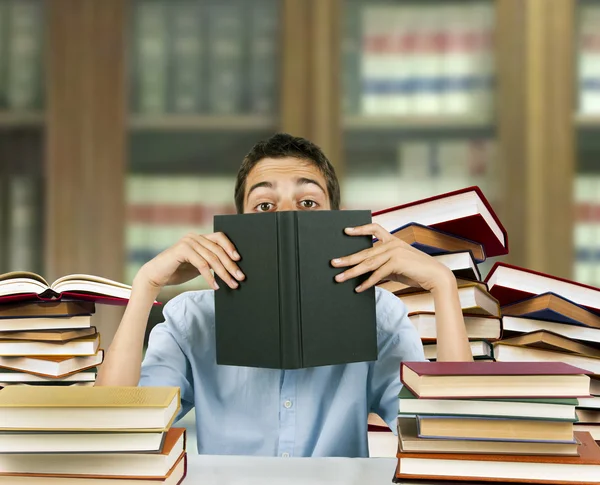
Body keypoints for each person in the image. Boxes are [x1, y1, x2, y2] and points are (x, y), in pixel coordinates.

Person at [96, 133, 472, 457]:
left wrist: (443, 285)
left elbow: (449, 437)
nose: (286, 218)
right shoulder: (191, 319)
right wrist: (146, 284)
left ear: (335, 220)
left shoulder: (380, 315)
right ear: (237, 225)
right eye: (264, 206)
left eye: (308, 203)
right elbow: (117, 430)